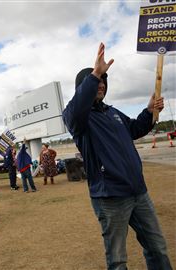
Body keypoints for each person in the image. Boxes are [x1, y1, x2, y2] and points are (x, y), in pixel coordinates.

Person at [62, 42, 172, 270]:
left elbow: (134, 129)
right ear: (83, 87)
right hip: (110, 198)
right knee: (118, 260)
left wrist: (150, 110)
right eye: (96, 81)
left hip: (138, 192)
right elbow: (76, 109)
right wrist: (94, 74)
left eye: (104, 81)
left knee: (157, 248)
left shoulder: (112, 112)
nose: (101, 85)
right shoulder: (78, 118)